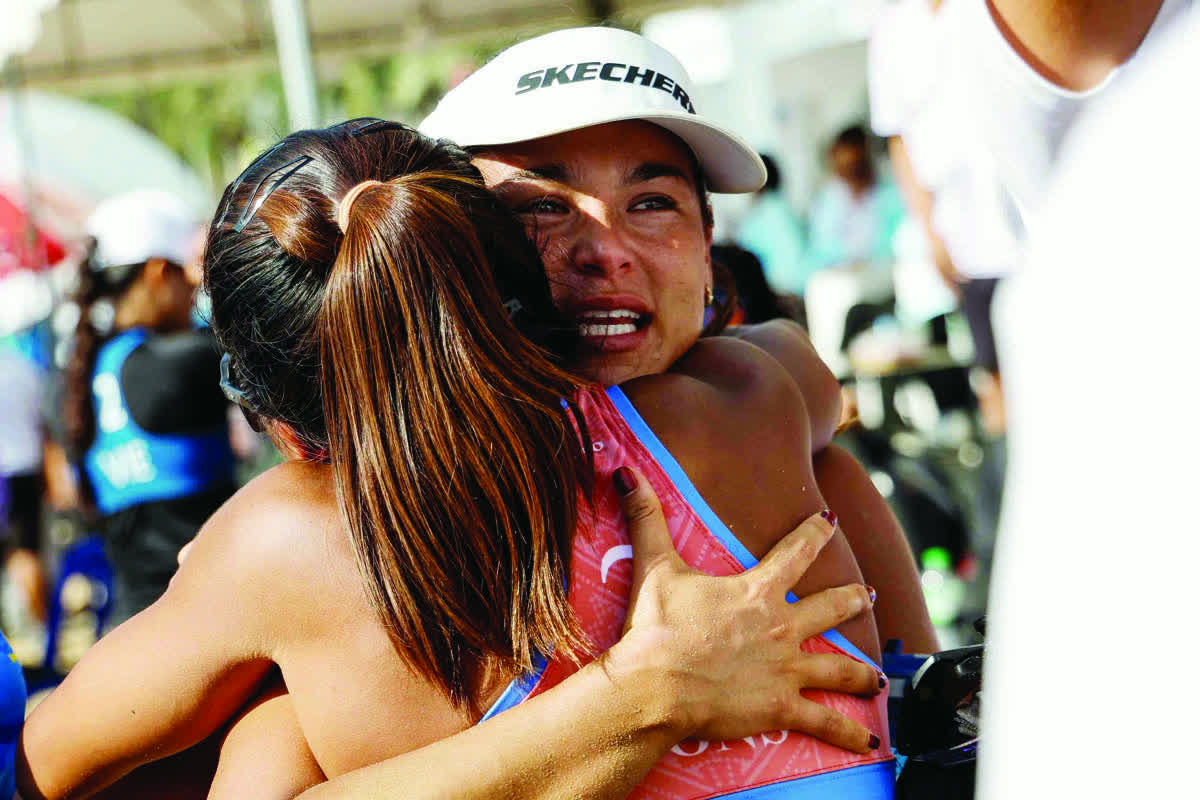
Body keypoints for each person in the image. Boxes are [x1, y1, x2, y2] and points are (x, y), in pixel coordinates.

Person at [18, 121, 890, 799]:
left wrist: (268, 725)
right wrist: (642, 693)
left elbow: (37, 766)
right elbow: (814, 383)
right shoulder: (742, 396)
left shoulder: (284, 550)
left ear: (277, 417)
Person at [421, 26, 935, 656]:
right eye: (542, 208)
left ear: (706, 234)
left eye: (652, 202)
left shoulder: (816, 474)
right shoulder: (408, 491)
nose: (605, 250)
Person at [61, 190, 236, 625]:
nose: (196, 287)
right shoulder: (187, 364)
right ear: (159, 273)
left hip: (131, 626)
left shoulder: (77, 378)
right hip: (212, 621)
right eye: (188, 276)